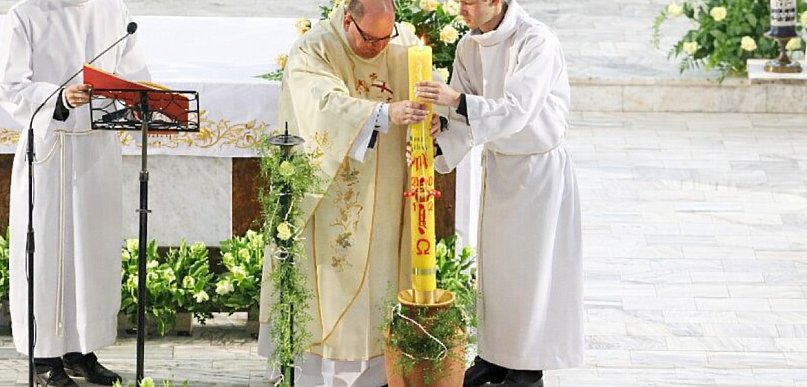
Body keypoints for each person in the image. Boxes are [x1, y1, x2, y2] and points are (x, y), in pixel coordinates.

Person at [256, 0, 427, 386]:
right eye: (371, 39)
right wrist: (384, 114)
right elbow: (321, 105)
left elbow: (424, 94)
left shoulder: (402, 44)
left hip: (386, 192)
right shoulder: (314, 49)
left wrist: (429, 115)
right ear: (348, 20)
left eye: (388, 37)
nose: (380, 48)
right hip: (332, 195)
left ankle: (381, 372)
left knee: (382, 277)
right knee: (332, 286)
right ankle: (322, 374)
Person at [415, 0, 583, 386]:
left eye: (469, 2)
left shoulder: (536, 41)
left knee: (531, 273)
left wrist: (454, 102)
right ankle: (495, 357)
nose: (461, 9)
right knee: (497, 272)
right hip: (501, 167)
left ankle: (527, 368)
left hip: (538, 170)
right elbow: (462, 116)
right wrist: (436, 144)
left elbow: (517, 110)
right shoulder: (468, 46)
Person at [0, 0, 150, 386]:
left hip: (96, 148)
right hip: (49, 148)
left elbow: (134, 75)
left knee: (91, 252)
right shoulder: (26, 14)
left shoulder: (113, 10)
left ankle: (80, 350)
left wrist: (136, 102)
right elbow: (11, 85)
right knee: (49, 254)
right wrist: (60, 97)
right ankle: (43, 356)